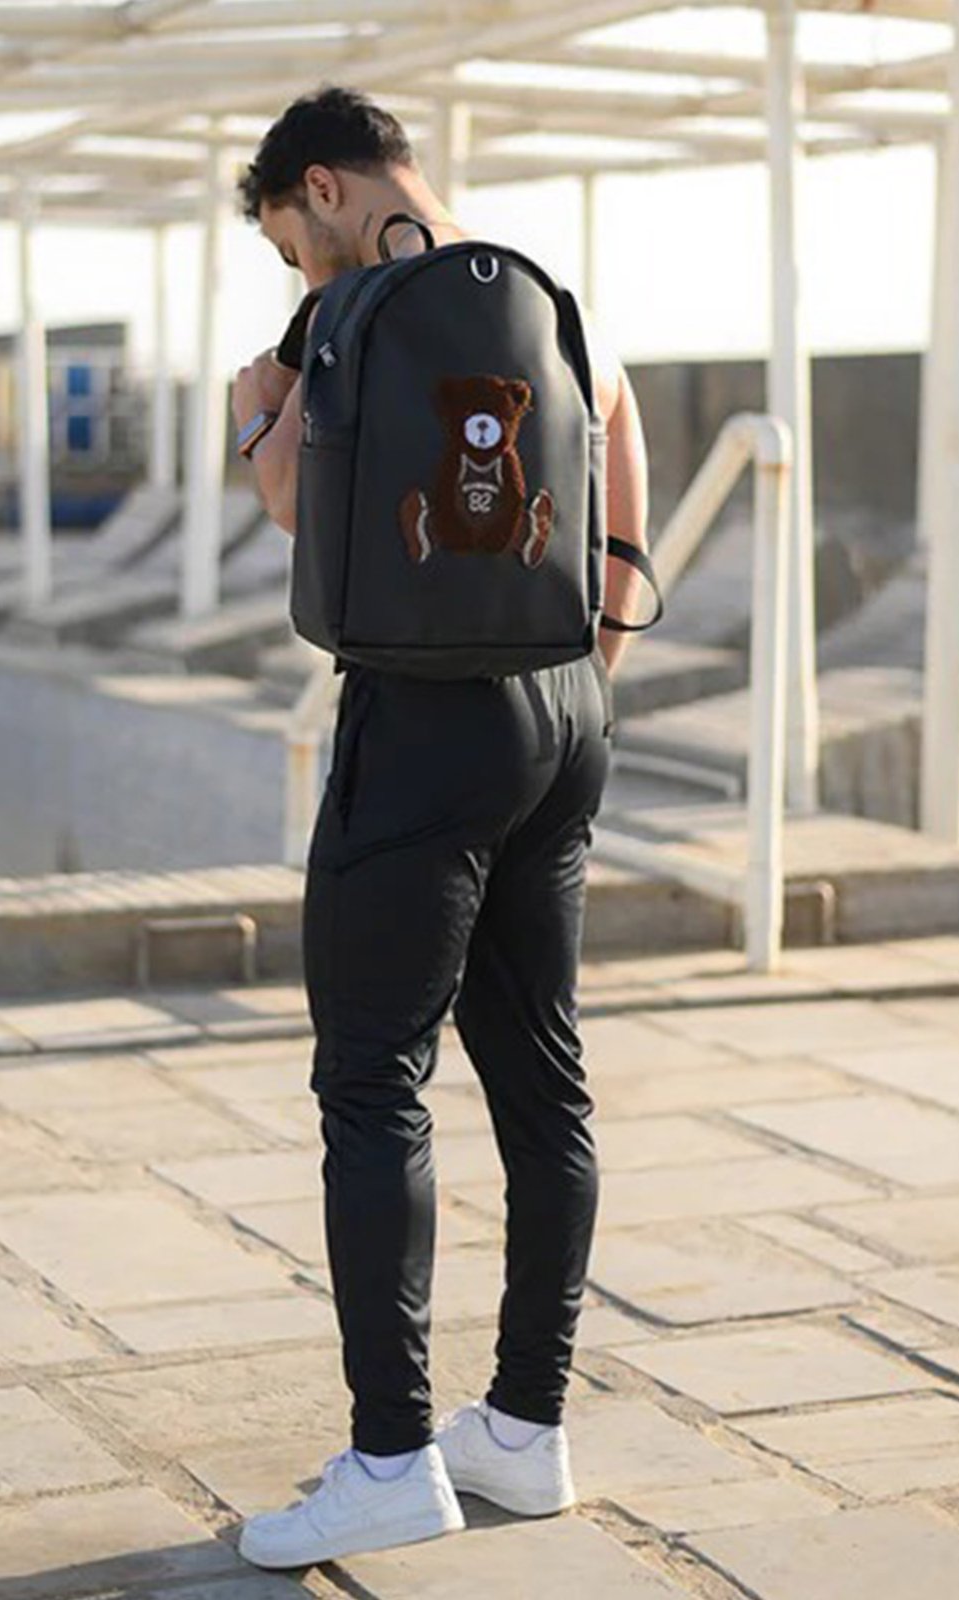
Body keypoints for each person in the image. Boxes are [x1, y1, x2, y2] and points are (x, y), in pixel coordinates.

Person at [227, 84, 652, 1570]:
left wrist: (255, 414)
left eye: (290, 242)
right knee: (544, 1081)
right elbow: (619, 465)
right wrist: (588, 670)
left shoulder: (344, 317)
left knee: (371, 1083)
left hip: (420, 729)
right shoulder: (552, 299)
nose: (300, 270)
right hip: (564, 712)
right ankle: (526, 1432)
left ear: (326, 189)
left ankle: (393, 1456)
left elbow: (298, 505)